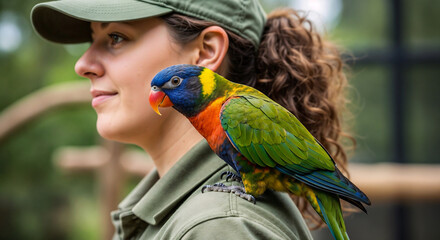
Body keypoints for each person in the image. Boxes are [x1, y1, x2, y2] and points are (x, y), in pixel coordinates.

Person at [31, 0, 353, 239]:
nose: (83, 63)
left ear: (204, 53)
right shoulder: (170, 216)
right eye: (91, 39)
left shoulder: (220, 228)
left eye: (116, 37)